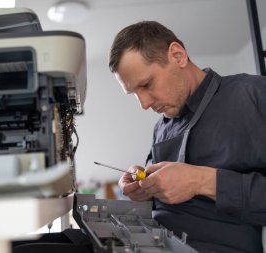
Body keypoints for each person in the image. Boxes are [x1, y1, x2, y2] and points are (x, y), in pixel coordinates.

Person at [109, 20, 266, 253]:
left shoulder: (253, 95)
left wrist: (201, 181)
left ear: (178, 55)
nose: (144, 104)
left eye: (147, 84)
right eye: (134, 94)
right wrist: (144, 190)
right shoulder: (161, 127)